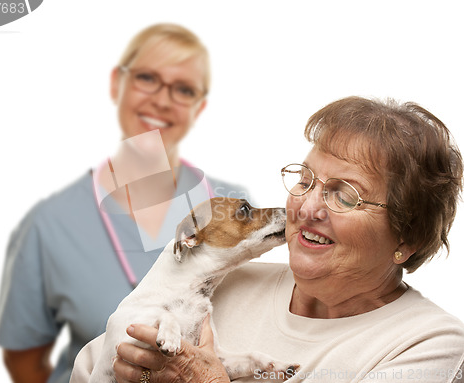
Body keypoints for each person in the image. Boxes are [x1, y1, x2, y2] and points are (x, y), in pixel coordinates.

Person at [71, 96, 464, 383]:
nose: (306, 207)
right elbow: (93, 366)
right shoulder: (224, 280)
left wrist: (205, 380)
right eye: (305, 180)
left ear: (407, 238)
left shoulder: (428, 346)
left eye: (345, 195)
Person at [0, 23, 250, 383]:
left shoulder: (237, 208)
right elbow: (24, 360)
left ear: (200, 105)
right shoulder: (50, 224)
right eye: (147, 78)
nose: (162, 100)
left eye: (183, 89)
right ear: (117, 83)